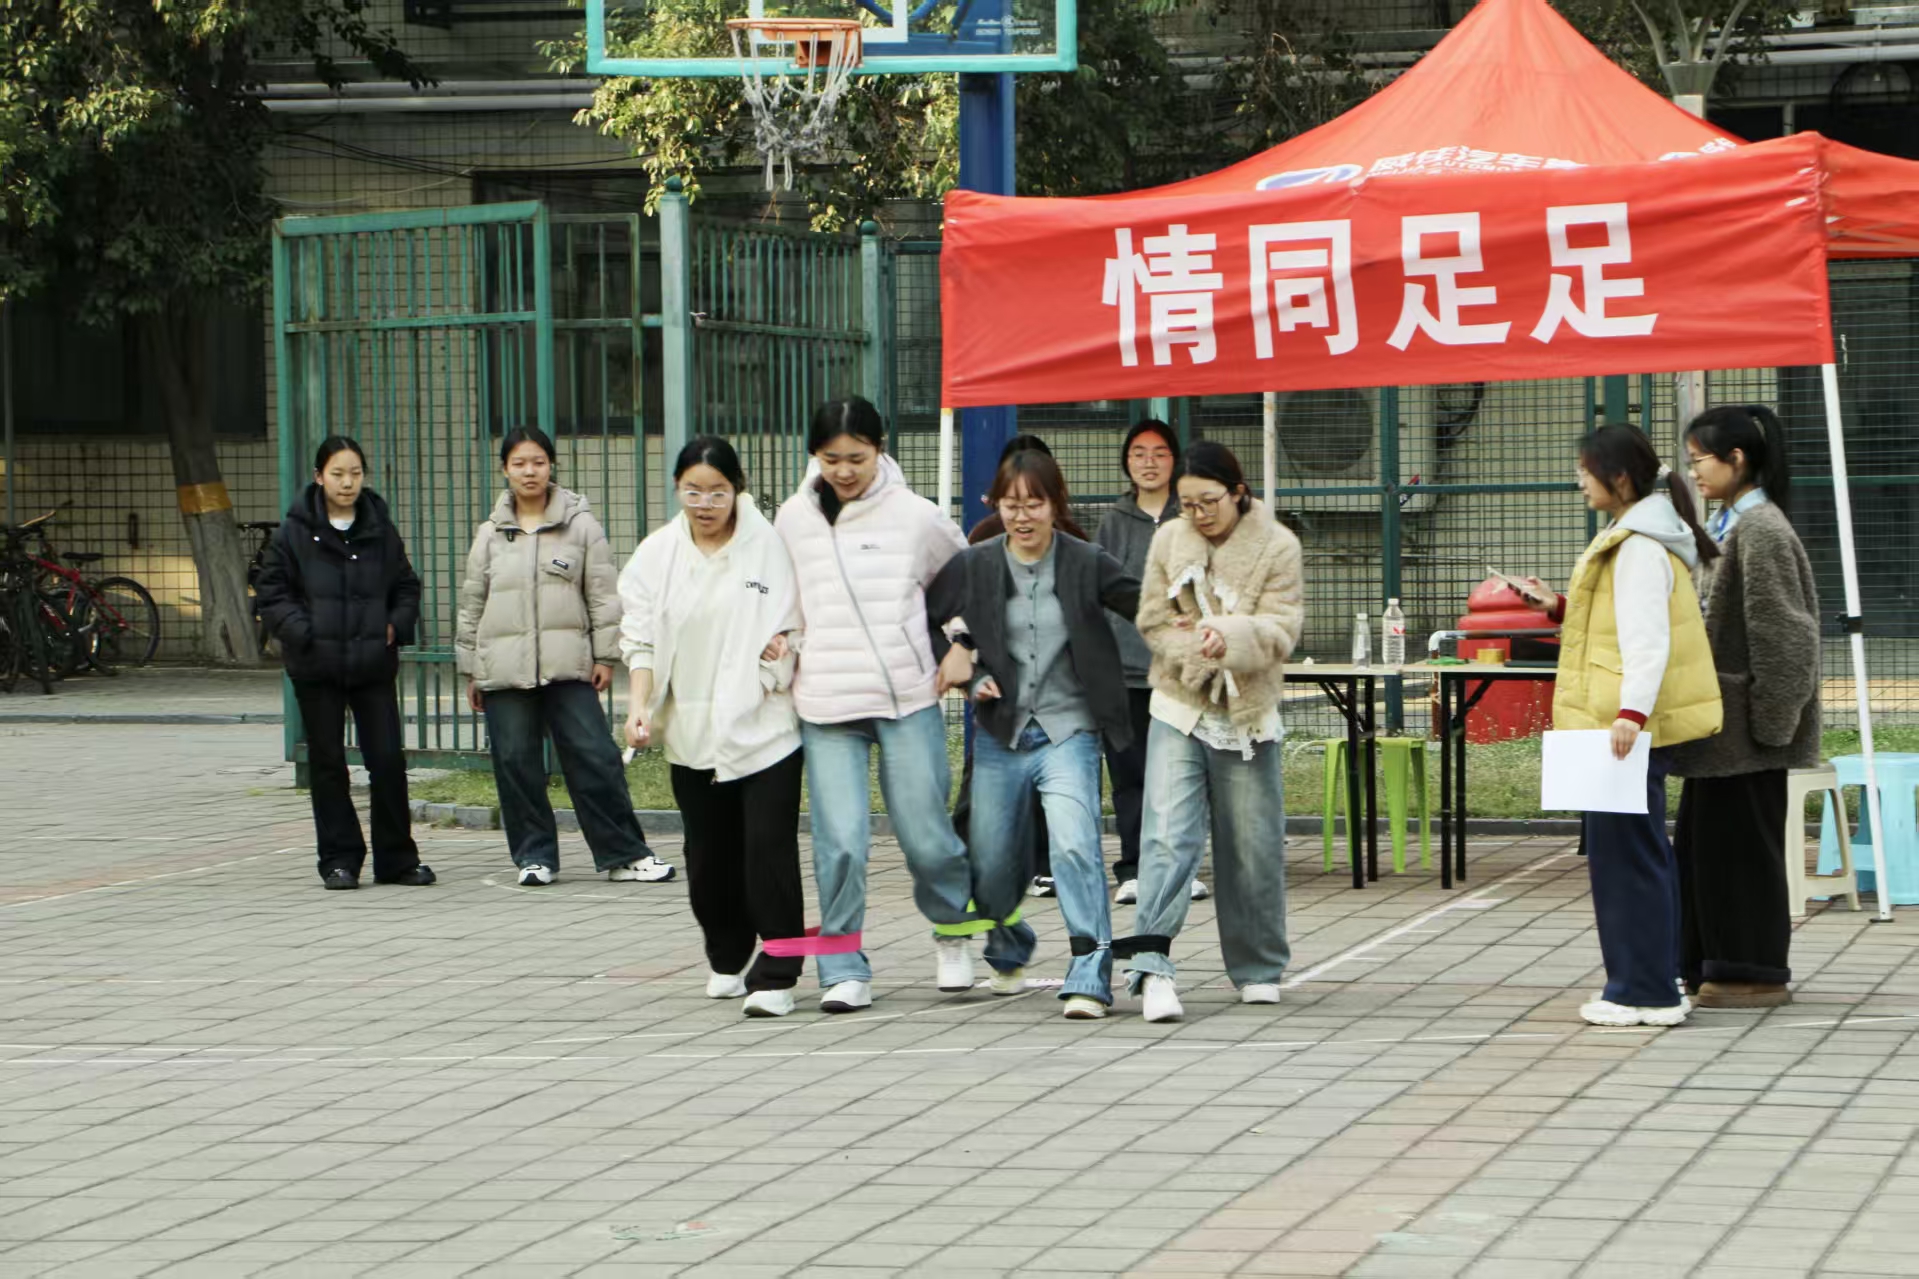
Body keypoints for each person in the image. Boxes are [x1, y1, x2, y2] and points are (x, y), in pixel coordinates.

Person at [774, 396, 980, 1013]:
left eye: (857, 458)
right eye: (831, 458)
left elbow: (967, 582)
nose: (844, 471)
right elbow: (781, 600)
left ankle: (953, 931)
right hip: (825, 703)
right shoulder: (791, 519)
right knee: (839, 843)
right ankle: (842, 967)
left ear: (880, 448)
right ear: (814, 455)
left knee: (927, 837)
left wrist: (963, 643)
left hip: (906, 699)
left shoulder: (917, 517)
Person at [1517, 423, 1722, 1029]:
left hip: (1619, 726)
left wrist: (1631, 714)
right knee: (1637, 853)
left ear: (1621, 478)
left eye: (1586, 471)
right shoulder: (1640, 534)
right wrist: (1556, 606)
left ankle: (1643, 992)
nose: (1579, 481)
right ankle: (1652, 982)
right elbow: (1619, 623)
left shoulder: (1637, 545)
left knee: (1626, 859)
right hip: (1617, 721)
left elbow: (1646, 639)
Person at [927, 450, 1141, 1019]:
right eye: (1011, 505)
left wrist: (1189, 625)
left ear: (1055, 505)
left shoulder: (1085, 561)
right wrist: (962, 663)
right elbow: (926, 617)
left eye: (1034, 504)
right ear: (996, 506)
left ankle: (1090, 969)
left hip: (1070, 730)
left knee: (1074, 846)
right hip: (1002, 734)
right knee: (993, 862)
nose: (1022, 517)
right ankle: (1011, 940)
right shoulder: (975, 563)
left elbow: (1143, 605)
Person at [619, 437, 807, 1018]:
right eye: (693, 492)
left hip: (766, 728)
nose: (705, 504)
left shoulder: (768, 548)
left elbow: (798, 620)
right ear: (678, 489)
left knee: (768, 851)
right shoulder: (657, 555)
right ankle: (727, 955)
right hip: (692, 734)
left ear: (738, 489)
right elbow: (641, 639)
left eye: (717, 492)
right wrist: (639, 705)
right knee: (708, 860)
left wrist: (781, 651)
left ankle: (778, 973)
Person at [1121, 441, 1303, 1023]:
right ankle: (1151, 964)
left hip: (1247, 714)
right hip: (1179, 705)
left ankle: (1258, 966)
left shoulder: (1278, 546)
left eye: (1209, 502)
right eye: (1187, 504)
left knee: (1252, 845)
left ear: (1238, 493)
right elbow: (1152, 620)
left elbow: (1281, 628)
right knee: (1166, 836)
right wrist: (1194, 650)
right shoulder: (1169, 542)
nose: (1198, 514)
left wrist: (1229, 638)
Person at [456, 426, 675, 887]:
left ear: (551, 465)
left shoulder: (581, 525)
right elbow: (472, 602)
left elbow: (603, 595)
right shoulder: (490, 533)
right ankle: (534, 857)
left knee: (596, 757)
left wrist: (604, 655)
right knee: (516, 764)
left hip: (569, 666)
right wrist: (470, 668)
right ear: (505, 470)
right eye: (519, 463)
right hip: (503, 670)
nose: (529, 471)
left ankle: (625, 854)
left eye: (538, 462)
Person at [1670, 406, 1819, 1010]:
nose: (1693, 472)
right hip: (1722, 729)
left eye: (1699, 460)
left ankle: (1751, 971)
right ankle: (1710, 964)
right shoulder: (1729, 522)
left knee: (1740, 854)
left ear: (1737, 459)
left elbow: (1787, 637)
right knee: (1707, 851)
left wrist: (1772, 727)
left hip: (1748, 734)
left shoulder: (1761, 529)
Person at [256, 436, 433, 891]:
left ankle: (397, 859)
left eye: (355, 473)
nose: (347, 482)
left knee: (387, 761)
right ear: (319, 477)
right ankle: (339, 859)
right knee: (329, 763)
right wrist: (305, 632)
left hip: (372, 664)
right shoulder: (294, 532)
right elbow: (272, 593)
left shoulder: (379, 527)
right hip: (317, 667)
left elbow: (406, 585)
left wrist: (394, 625)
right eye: (337, 474)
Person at [951, 433, 1081, 900]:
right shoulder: (984, 536)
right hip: (1000, 684)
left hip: (1057, 686)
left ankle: (1045, 865)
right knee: (982, 780)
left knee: (1055, 781)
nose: (1024, 508)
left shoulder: (1073, 538)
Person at [1095, 419, 1209, 907]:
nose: (1148, 462)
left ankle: (1182, 868)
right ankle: (1135, 868)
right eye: (1138, 453)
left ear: (1174, 461)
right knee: (1130, 775)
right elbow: (1100, 589)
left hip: (1180, 669)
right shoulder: (1113, 520)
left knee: (1181, 774)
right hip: (1123, 669)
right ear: (1126, 462)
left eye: (1159, 453)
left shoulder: (1192, 518)